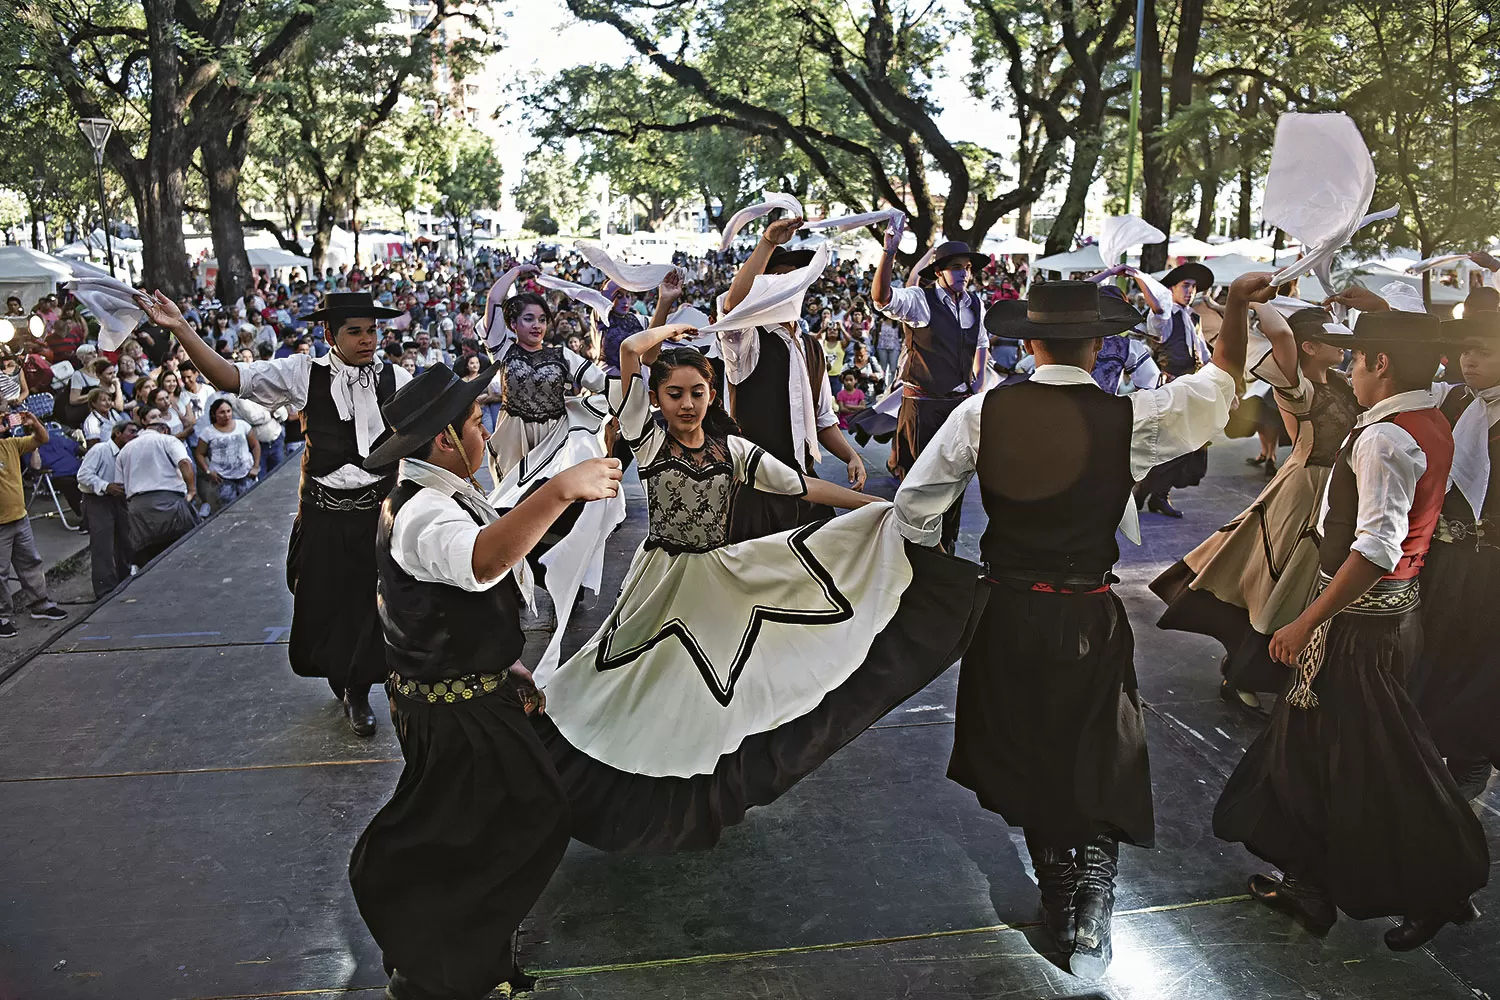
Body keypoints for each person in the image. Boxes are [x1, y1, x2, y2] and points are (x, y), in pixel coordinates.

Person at [892, 275, 1263, 978]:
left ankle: (1061, 886)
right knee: (1097, 746)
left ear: (1026, 343)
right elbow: (1222, 384)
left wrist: (932, 583)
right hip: (1086, 608)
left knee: (1026, 743)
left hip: (1004, 609)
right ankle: (1091, 893)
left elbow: (915, 508)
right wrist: (1238, 306)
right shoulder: (1132, 416)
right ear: (1099, 344)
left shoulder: (982, 414)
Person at [532, 323, 985, 853]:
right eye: (673, 394)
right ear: (655, 397)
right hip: (660, 578)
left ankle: (686, 800)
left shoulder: (735, 451)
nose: (687, 404)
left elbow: (800, 485)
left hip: (719, 578)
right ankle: (593, 769)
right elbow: (631, 353)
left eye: (697, 392)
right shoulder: (649, 438)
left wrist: (875, 510)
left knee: (707, 692)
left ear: (712, 391)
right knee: (630, 676)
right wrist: (654, 332)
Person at [1214, 307, 1489, 953]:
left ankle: (1442, 886)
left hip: (1360, 628)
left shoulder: (1386, 437)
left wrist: (1307, 619)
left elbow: (1376, 548)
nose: (1348, 371)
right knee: (1315, 752)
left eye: (1355, 360)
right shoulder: (1430, 420)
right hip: (1385, 618)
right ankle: (1309, 880)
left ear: (1380, 363)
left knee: (1389, 764)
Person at [348, 363, 622, 1000]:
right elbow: (481, 563)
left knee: (491, 830)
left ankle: (469, 960)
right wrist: (558, 490)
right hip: (451, 714)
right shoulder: (420, 513)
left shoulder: (439, 493)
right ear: (445, 438)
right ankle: (430, 967)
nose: (486, 429)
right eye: (476, 421)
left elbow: (467, 594)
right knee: (511, 824)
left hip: (471, 695)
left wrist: (507, 664)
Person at [136, 288, 410, 738]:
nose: (368, 340)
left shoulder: (397, 376)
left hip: (373, 515)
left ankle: (360, 690)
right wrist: (181, 328)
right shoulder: (303, 373)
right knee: (324, 603)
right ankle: (342, 681)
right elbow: (229, 378)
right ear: (329, 334)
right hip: (323, 514)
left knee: (371, 605)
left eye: (373, 330)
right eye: (355, 331)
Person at [1152, 304, 1362, 715]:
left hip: (1336, 489)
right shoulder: (1297, 388)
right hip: (1305, 491)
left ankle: (1260, 668)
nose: (1342, 344)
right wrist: (1253, 296)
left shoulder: (1341, 382)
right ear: (1310, 346)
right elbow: (1281, 335)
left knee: (1294, 585)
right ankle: (1245, 675)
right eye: (1330, 337)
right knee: (1281, 585)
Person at [716, 215, 867, 542]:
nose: (789, 284)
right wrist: (768, 243)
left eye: (796, 278)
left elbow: (823, 419)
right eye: (779, 278)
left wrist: (851, 455)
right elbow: (732, 307)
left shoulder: (811, 345)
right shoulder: (748, 340)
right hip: (758, 489)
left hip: (804, 485)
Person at [1410, 308, 1500, 798]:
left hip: (1493, 568)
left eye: (1483, 352)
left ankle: (1472, 757)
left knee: (1481, 661)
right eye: (1465, 350)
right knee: (1437, 651)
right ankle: (1431, 751)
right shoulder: (1456, 400)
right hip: (1446, 559)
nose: (1469, 360)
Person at [871, 223, 990, 549]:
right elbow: (881, 298)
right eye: (956, 268)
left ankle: (946, 547)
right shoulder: (920, 301)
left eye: (967, 269)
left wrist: (977, 384)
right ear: (938, 271)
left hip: (957, 406)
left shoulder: (975, 305)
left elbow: (981, 344)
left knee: (955, 479)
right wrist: (890, 251)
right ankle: (914, 551)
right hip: (922, 407)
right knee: (920, 484)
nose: (964, 274)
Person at [486, 292, 606, 480]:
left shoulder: (563, 355)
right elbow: (493, 300)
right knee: (514, 500)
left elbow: (604, 383)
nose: (537, 325)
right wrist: (519, 270)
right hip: (514, 434)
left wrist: (584, 409)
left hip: (554, 434)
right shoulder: (504, 351)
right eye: (528, 319)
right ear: (513, 324)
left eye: (542, 320)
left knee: (553, 495)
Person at [1130, 262, 1216, 517]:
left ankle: (1157, 495)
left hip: (1192, 388)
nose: (1190, 291)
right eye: (1185, 286)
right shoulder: (1165, 316)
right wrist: (1140, 278)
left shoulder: (1193, 318)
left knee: (1191, 447)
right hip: (1170, 388)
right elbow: (1157, 310)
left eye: (1193, 287)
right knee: (1168, 446)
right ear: (1172, 289)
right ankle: (1140, 495)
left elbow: (1204, 355)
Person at [0, 412, 69, 637]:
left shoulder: (10, 444)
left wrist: (35, 424)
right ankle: (1, 615)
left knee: (30, 561)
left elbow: (42, 440)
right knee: (0, 572)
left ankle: (40, 604)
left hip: (19, 517)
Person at [117, 412, 199, 565]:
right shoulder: (168, 440)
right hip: (169, 503)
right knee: (187, 549)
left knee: (150, 560)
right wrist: (192, 490)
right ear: (165, 430)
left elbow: (119, 485)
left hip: (137, 509)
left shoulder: (125, 450)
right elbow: (185, 463)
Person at [78, 419, 139, 597]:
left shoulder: (130, 453)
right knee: (103, 546)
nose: (135, 436)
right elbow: (83, 475)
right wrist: (105, 486)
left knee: (125, 541)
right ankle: (105, 590)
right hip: (98, 500)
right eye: (131, 432)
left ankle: (124, 579)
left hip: (120, 499)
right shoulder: (100, 450)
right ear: (117, 433)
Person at [194, 398, 260, 509]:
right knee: (229, 509)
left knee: (251, 505)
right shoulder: (208, 432)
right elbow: (199, 454)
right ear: (214, 414)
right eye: (222, 412)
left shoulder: (242, 425)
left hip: (246, 474)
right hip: (222, 479)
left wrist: (256, 466)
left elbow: (255, 446)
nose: (226, 415)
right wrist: (208, 471)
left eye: (228, 411)